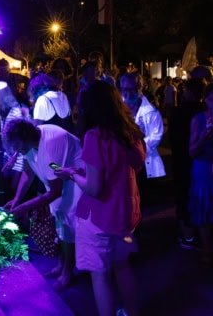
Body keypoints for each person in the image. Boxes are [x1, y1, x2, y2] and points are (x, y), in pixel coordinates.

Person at [55, 81, 145, 316]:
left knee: (101, 275)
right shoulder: (130, 133)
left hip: (99, 218)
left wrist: (73, 173)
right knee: (123, 267)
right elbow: (130, 167)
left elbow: (94, 188)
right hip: (126, 216)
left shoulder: (95, 136)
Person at [3, 119, 83, 291]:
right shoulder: (31, 143)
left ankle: (68, 271)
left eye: (16, 145)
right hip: (59, 180)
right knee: (60, 226)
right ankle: (62, 264)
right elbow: (28, 172)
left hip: (74, 181)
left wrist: (24, 207)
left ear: (24, 137)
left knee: (67, 228)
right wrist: (17, 199)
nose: (16, 150)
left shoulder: (50, 145)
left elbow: (55, 191)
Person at [169, 78, 205, 249]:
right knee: (201, 197)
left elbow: (173, 139)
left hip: (183, 159)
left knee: (183, 195)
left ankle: (188, 236)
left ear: (189, 91)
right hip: (202, 162)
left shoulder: (179, 112)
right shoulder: (205, 111)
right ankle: (201, 234)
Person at [119, 72, 165, 205]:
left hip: (142, 163)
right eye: (125, 89)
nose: (128, 93)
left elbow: (156, 136)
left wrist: (135, 146)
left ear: (141, 87)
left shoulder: (152, 112)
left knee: (140, 200)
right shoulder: (117, 109)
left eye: (133, 88)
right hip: (120, 162)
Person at [188, 83, 213, 264]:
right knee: (204, 209)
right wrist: (206, 134)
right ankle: (207, 250)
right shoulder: (198, 119)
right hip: (203, 168)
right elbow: (192, 150)